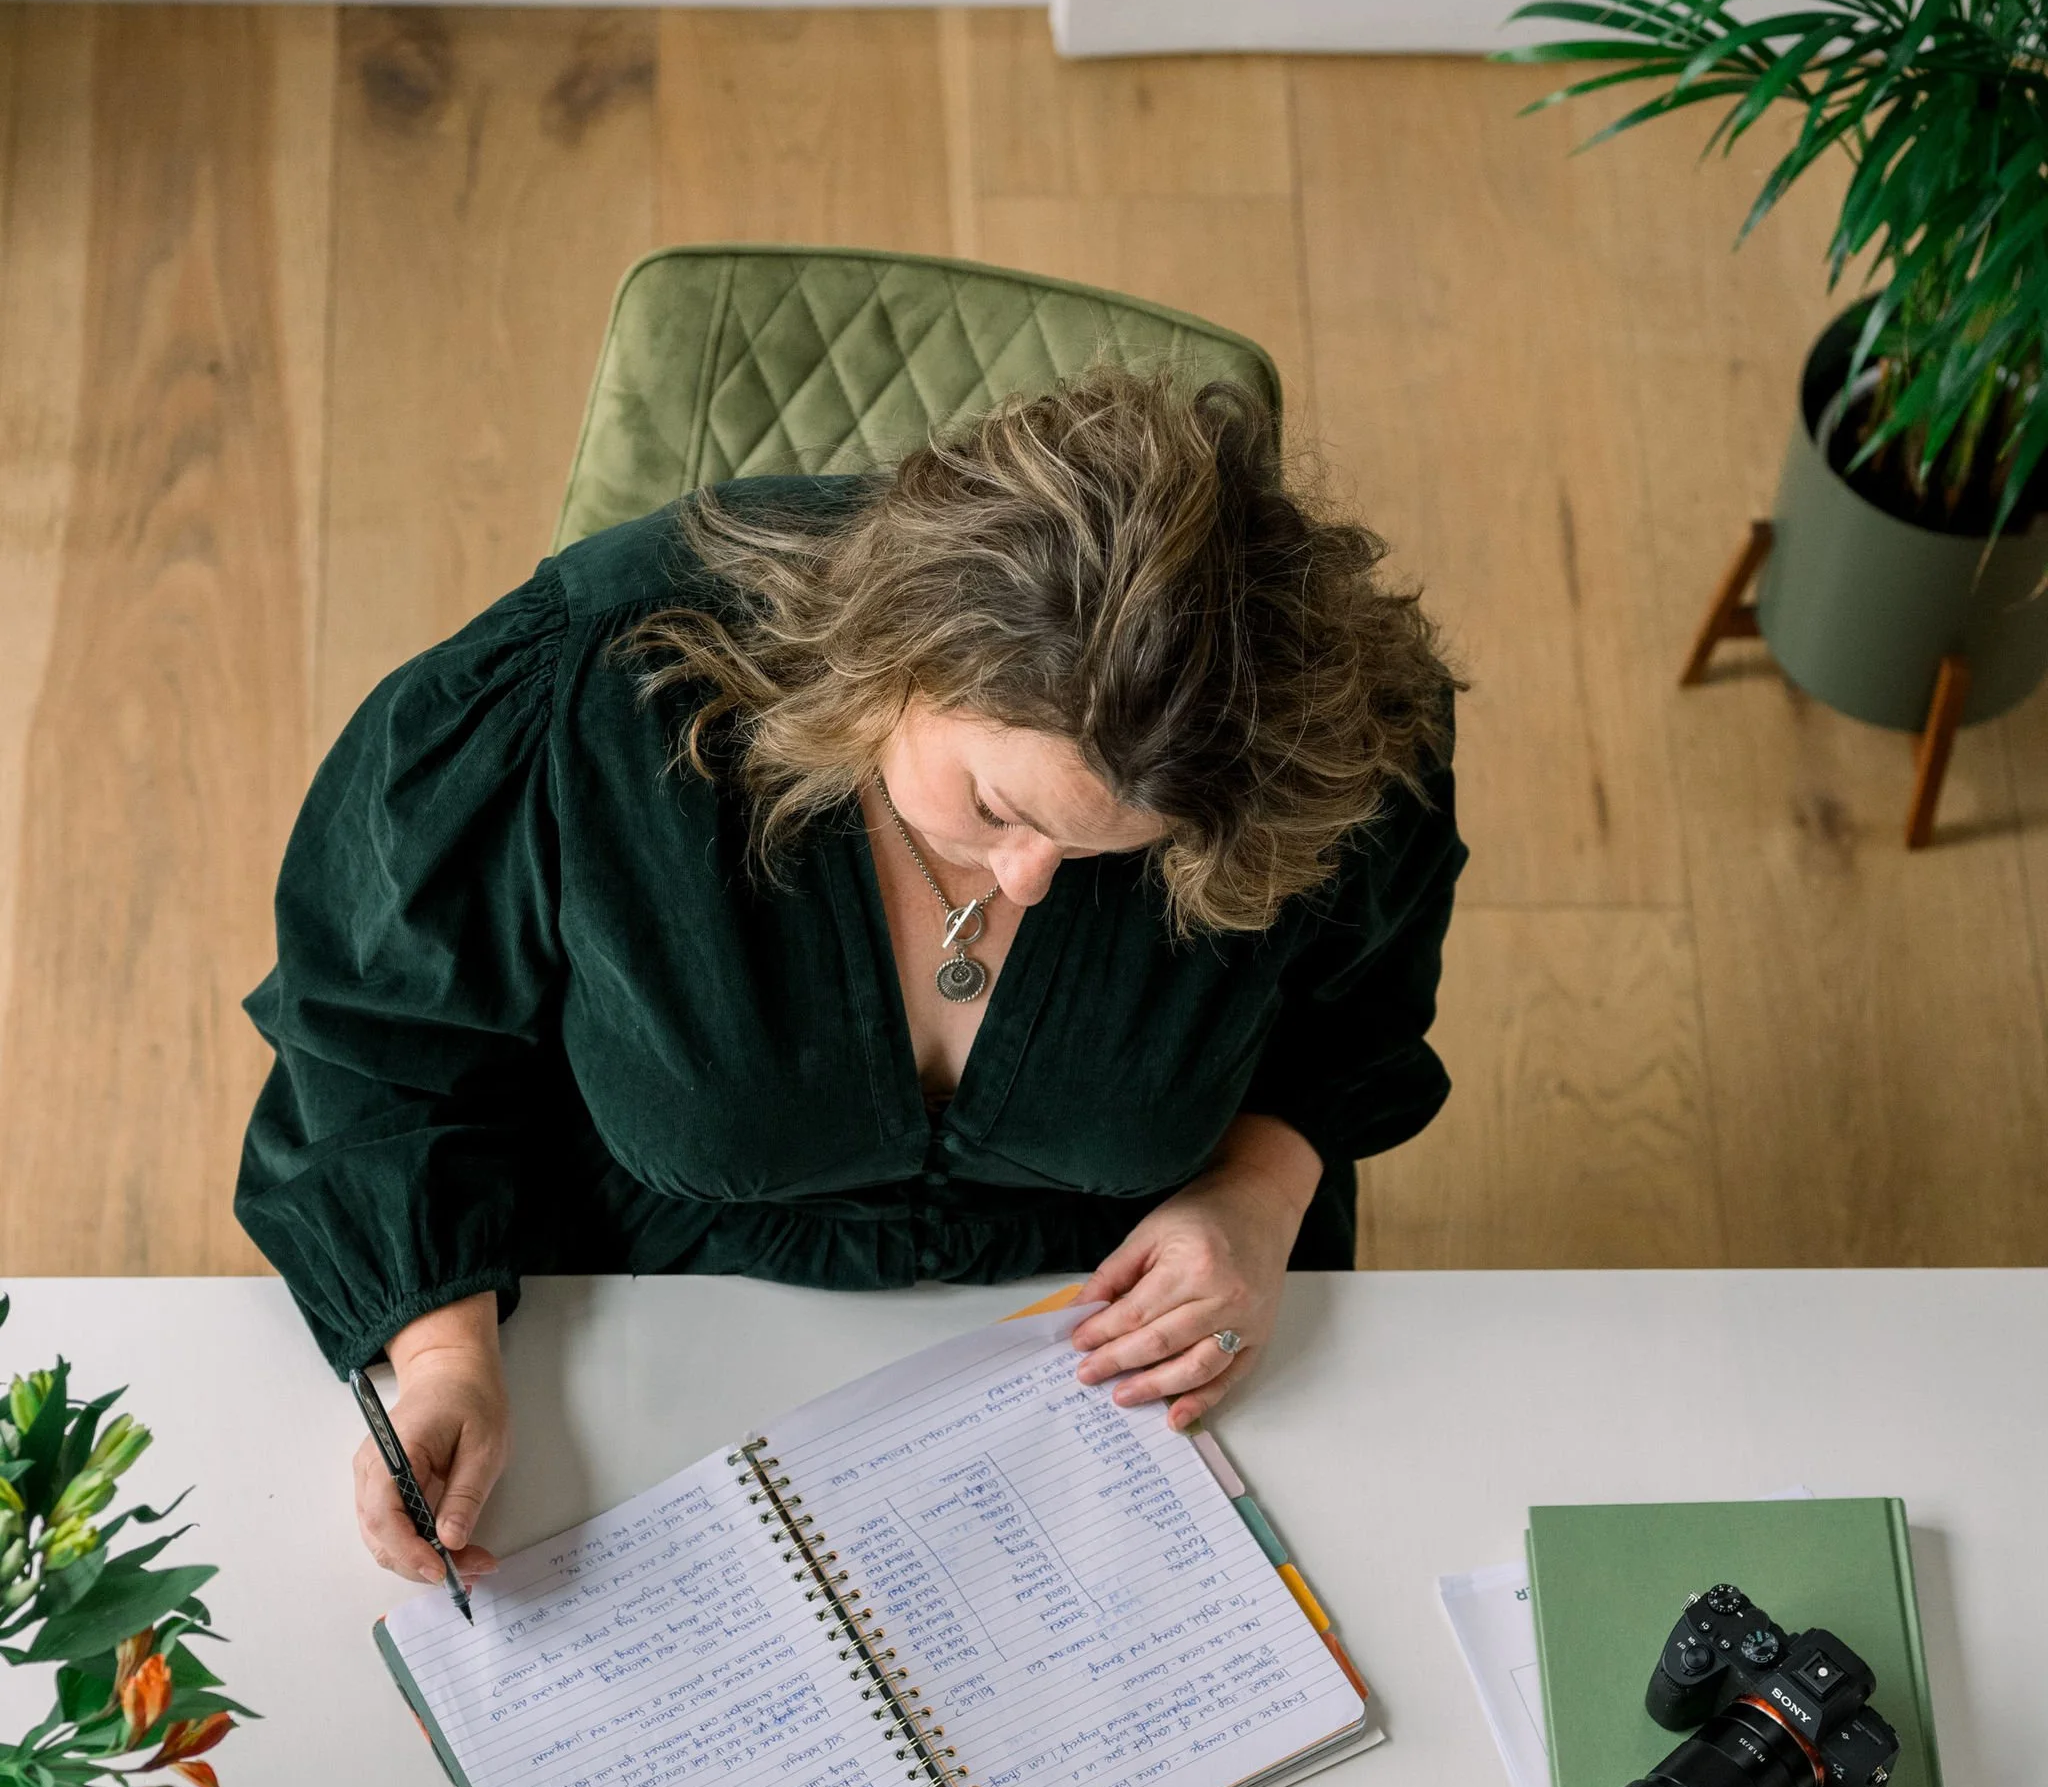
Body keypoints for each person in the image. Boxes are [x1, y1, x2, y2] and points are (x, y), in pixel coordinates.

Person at [236, 367, 1465, 1596]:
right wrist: (444, 1354)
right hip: (634, 1317)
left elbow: (1351, 1004)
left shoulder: (1299, 746)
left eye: (1106, 848)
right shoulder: (592, 687)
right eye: (993, 807)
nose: (1030, 881)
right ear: (899, 657)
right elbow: (379, 1039)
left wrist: (1258, 1192)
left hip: (1109, 1344)